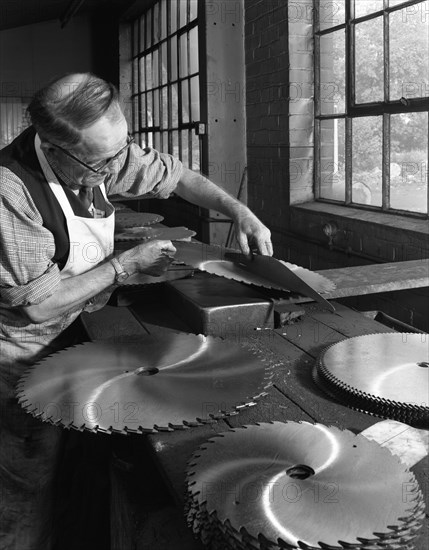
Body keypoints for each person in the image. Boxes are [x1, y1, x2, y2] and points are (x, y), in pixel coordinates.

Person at [0, 72, 272, 548]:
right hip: (20, 352)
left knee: (75, 460)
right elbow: (37, 309)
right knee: (27, 481)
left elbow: (179, 176)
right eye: (103, 161)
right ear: (56, 147)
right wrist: (124, 266)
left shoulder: (103, 156)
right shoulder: (11, 190)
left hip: (76, 329)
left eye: (121, 149)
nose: (117, 166)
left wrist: (238, 210)